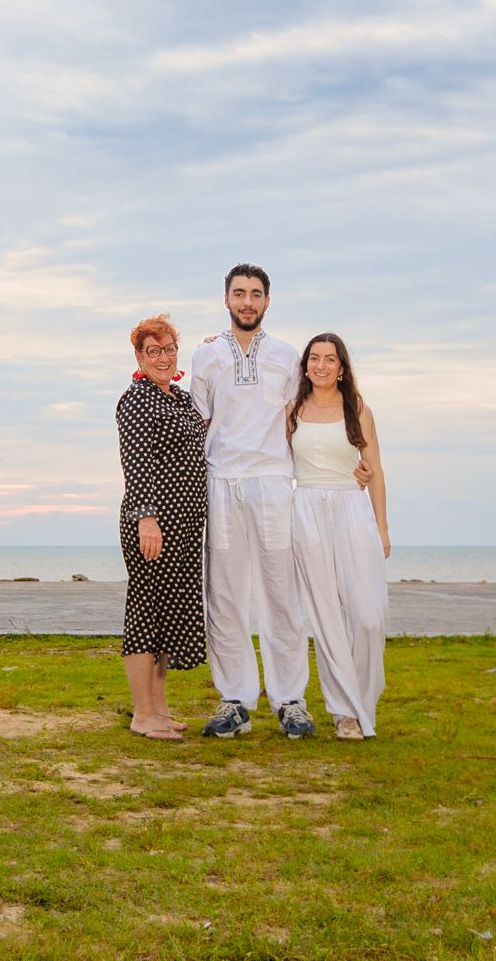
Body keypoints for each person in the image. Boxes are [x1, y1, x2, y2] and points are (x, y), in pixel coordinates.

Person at [187, 264, 315, 739]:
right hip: (221, 483)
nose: (247, 301)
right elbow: (198, 423)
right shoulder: (205, 356)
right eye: (238, 293)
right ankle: (235, 699)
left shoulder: (287, 355)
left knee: (281, 595)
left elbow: (298, 421)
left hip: (273, 483)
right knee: (225, 596)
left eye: (255, 294)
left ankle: (290, 701)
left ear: (267, 302)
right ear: (225, 300)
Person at [288, 332, 389, 739]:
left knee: (367, 616)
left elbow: (375, 470)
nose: (322, 366)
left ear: (342, 368)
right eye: (315, 358)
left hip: (352, 508)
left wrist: (381, 528)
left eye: (330, 359)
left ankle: (363, 703)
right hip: (307, 509)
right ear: (306, 366)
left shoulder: (358, 408)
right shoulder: (292, 409)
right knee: (327, 617)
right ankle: (344, 713)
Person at [116, 313, 208, 739]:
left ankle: (160, 705)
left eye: (170, 349)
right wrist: (146, 518)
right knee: (146, 609)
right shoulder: (136, 400)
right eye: (153, 350)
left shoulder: (183, 399)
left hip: (187, 523)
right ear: (138, 355)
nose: (164, 357)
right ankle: (142, 713)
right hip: (153, 521)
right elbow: (135, 464)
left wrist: (217, 351)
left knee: (168, 614)